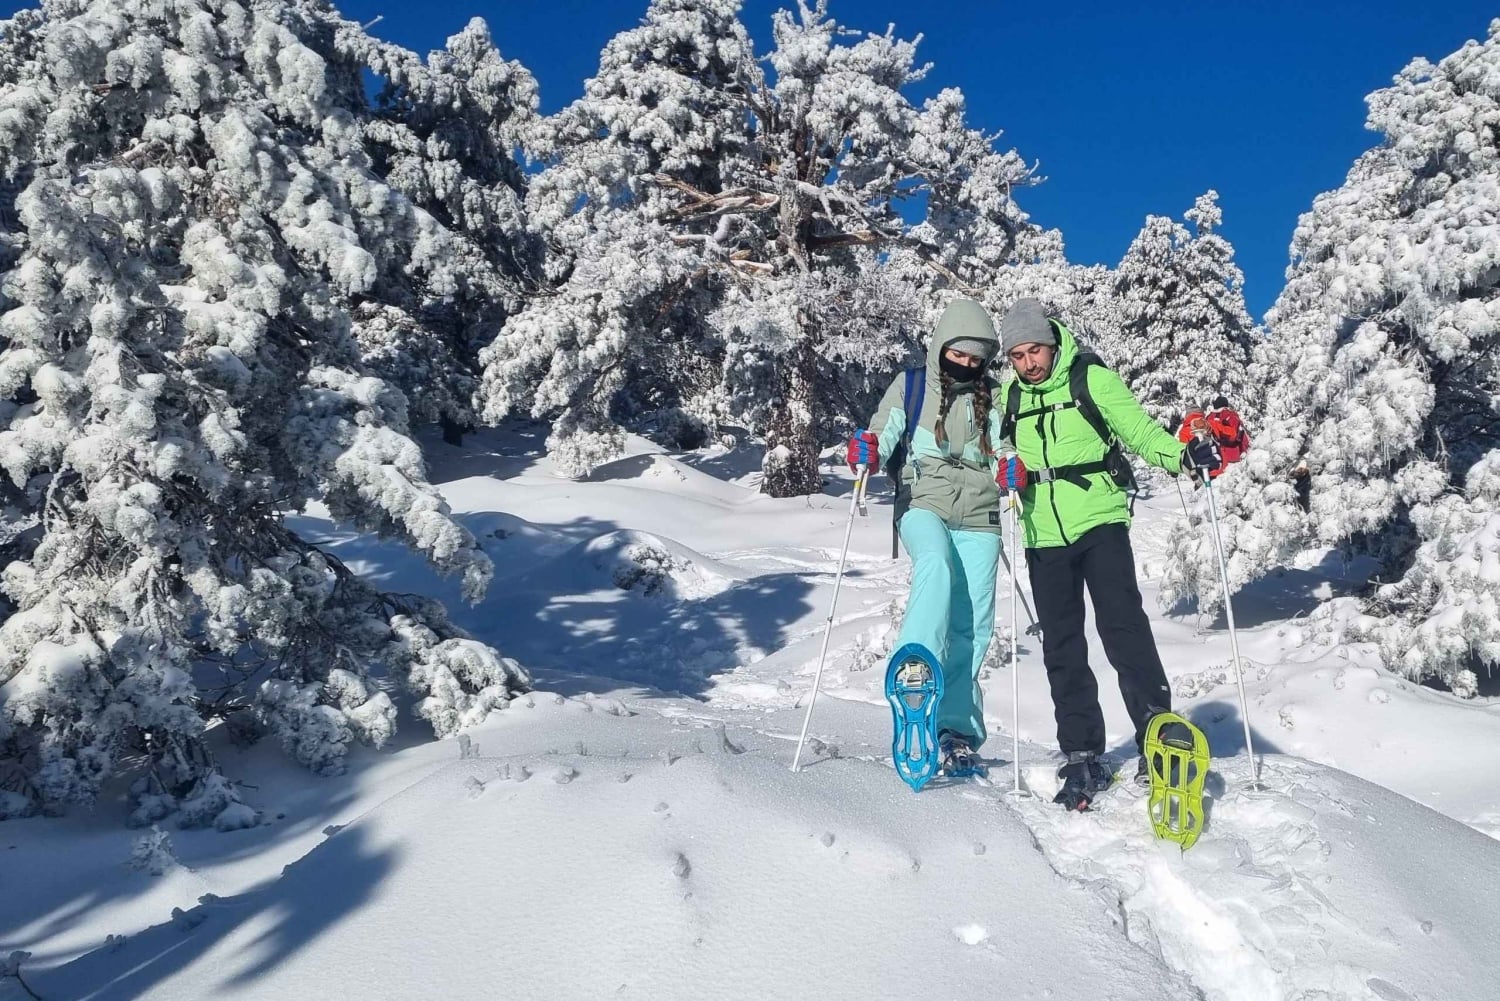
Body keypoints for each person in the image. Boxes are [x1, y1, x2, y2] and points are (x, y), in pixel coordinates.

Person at [994, 298, 1221, 810]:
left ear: (1052, 344)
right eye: (1018, 355)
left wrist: (1182, 456)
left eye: (1036, 351)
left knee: (1123, 627)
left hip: (1099, 519)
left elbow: (1138, 432)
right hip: (1041, 533)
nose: (1029, 363)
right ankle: (1081, 752)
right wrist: (1006, 468)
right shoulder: (1009, 396)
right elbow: (999, 448)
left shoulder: (1091, 380)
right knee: (1062, 645)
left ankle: (1155, 735)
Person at [847, 298, 1007, 789]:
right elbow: (885, 429)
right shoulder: (913, 385)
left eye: (976, 358)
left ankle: (955, 729)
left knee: (973, 626)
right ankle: (915, 669)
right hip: (924, 503)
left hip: (981, 515)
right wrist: (869, 449)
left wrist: (1012, 466)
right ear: (941, 348)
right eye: (958, 354)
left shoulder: (995, 396)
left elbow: (1006, 446)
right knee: (934, 565)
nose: (966, 364)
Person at [1176, 396, 1250, 478]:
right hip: (1220, 463)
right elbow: (1233, 434)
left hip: (1199, 470)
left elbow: (1183, 452)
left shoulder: (1183, 431)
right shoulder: (1210, 423)